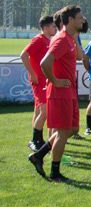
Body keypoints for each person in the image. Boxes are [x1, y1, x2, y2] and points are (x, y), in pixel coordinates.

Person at [28, 5, 85, 182]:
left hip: (68, 91)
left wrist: (75, 38)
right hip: (60, 91)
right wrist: (55, 81)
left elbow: (79, 57)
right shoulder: (61, 39)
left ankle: (39, 155)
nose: (82, 20)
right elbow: (45, 63)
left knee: (72, 129)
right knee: (63, 131)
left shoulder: (68, 38)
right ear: (69, 20)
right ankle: (55, 172)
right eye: (79, 17)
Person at [20, 15, 57, 151]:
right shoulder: (38, 40)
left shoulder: (49, 40)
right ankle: (37, 140)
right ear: (46, 27)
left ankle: (34, 139)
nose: (55, 28)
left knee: (38, 110)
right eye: (53, 26)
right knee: (45, 111)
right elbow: (23, 55)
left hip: (45, 79)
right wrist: (33, 73)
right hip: (39, 80)